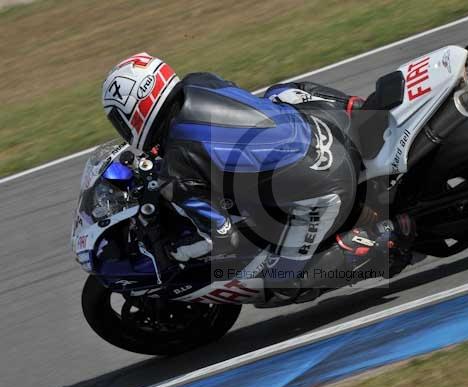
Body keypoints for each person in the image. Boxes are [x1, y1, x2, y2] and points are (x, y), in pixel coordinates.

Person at [101, 52, 414, 295]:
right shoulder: (200, 81)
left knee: (277, 278)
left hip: (325, 185)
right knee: (277, 94)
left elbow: (223, 236)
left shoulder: (176, 168)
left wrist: (175, 251)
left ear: (134, 113)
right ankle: (354, 109)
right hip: (323, 131)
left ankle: (381, 243)